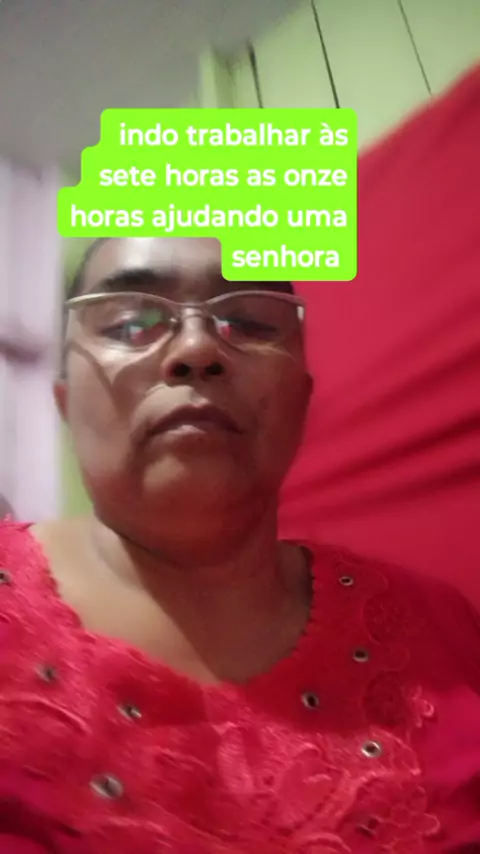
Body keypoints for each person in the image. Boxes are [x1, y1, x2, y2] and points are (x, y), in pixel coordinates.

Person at [0, 236, 479, 853]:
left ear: (303, 398)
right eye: (131, 323)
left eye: (249, 321)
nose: (196, 350)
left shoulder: (440, 634)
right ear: (65, 400)